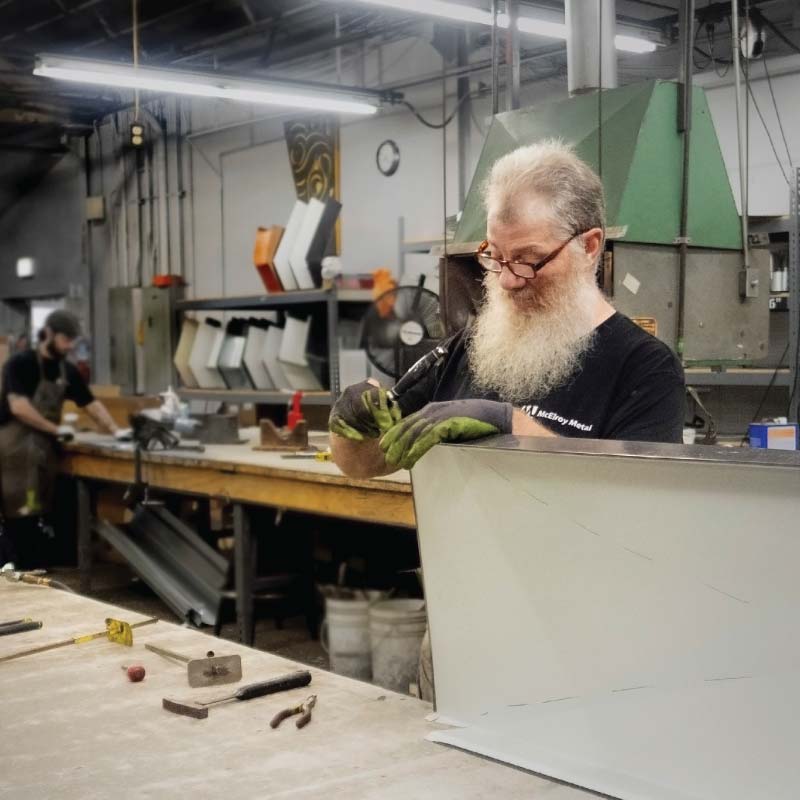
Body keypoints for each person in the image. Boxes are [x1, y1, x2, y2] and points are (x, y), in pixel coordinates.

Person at [329, 140, 686, 479]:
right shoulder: (469, 350)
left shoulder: (645, 368)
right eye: (496, 257)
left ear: (590, 246)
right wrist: (351, 427)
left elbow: (635, 502)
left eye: (528, 260)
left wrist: (513, 425)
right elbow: (366, 463)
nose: (507, 281)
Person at [0, 309, 129, 569]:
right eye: (65, 339)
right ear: (49, 334)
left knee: (37, 507)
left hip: (40, 450)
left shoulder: (66, 370)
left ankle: (33, 563)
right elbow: (19, 408)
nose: (69, 346)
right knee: (16, 509)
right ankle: (15, 566)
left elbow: (90, 403)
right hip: (11, 448)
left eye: (72, 341)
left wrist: (116, 430)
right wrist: (56, 429)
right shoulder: (19, 364)